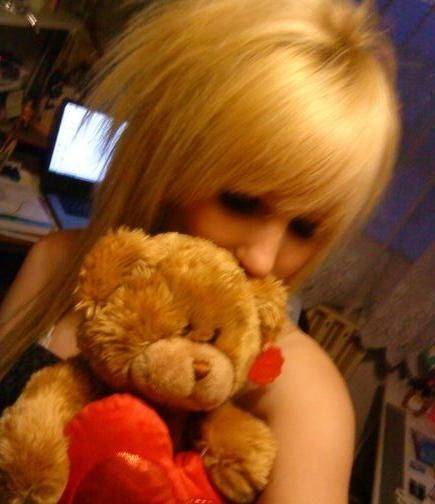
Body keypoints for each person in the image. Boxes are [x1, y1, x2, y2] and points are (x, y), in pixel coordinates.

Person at [0, 0, 401, 501]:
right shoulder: (57, 263)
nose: (263, 259)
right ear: (168, 160)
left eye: (304, 229)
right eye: (240, 201)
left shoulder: (305, 397)